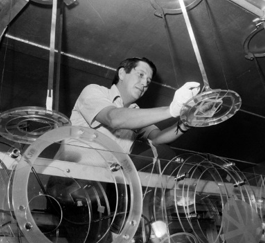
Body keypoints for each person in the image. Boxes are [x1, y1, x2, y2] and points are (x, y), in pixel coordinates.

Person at [60, 57, 199, 164]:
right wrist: (171, 109)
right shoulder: (94, 91)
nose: (145, 83)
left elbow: (157, 138)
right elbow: (113, 118)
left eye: (148, 81)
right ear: (121, 73)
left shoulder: (135, 112)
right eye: (140, 75)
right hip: (69, 176)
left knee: (164, 153)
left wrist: (185, 123)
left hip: (108, 184)